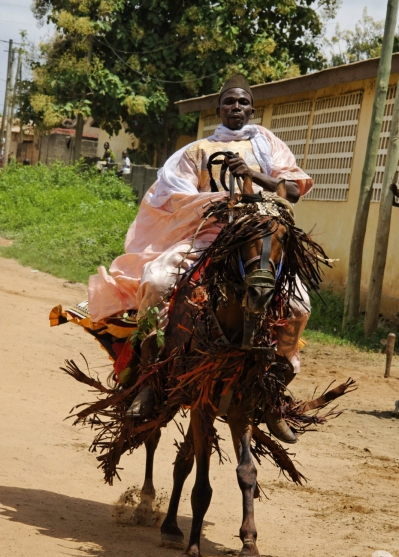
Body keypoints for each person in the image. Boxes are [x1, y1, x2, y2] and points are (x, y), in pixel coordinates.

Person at [88, 75, 313, 442]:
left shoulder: (270, 145)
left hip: (260, 239)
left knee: (300, 307)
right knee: (157, 281)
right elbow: (176, 196)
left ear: (252, 109)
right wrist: (224, 202)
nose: (236, 108)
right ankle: (150, 373)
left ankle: (272, 389)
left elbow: (292, 192)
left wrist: (253, 175)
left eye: (242, 103)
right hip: (208, 237)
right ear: (218, 108)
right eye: (229, 102)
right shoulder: (196, 150)